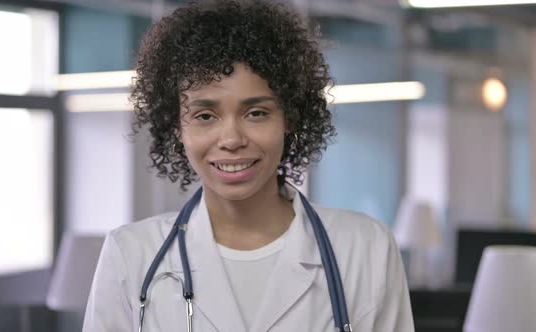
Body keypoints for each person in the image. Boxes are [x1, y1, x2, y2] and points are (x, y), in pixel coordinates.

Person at [83, 0, 414, 331]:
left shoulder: (366, 249)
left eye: (256, 113)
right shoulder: (130, 255)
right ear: (177, 128)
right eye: (205, 116)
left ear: (290, 118)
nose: (231, 139)